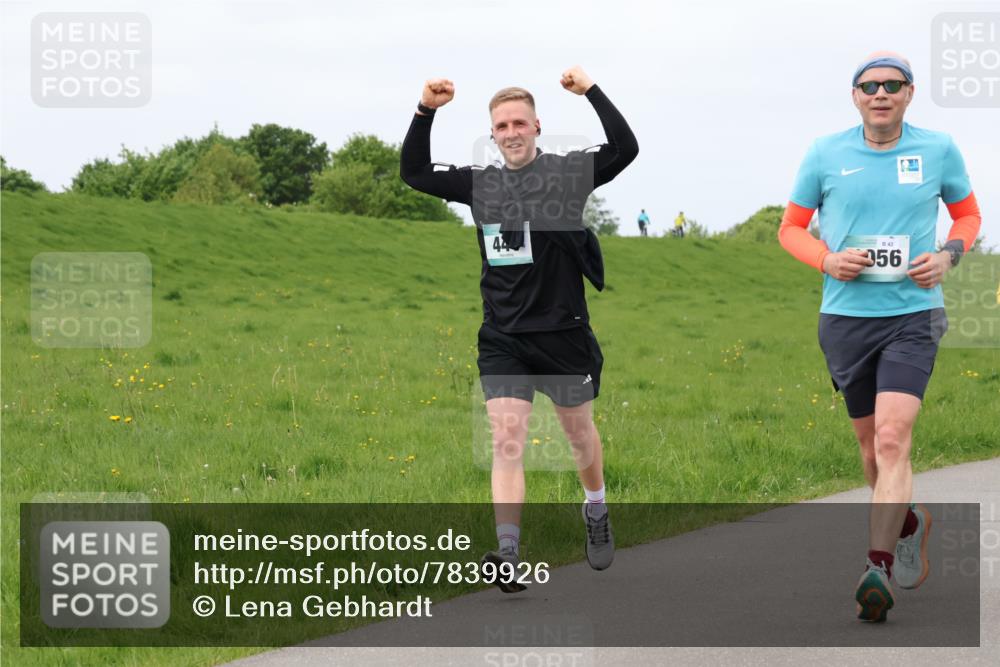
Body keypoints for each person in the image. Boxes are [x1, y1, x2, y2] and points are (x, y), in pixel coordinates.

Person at [400, 66, 638, 592]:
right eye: (502, 125)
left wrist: (592, 91)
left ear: (536, 128)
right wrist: (426, 109)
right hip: (503, 337)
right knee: (507, 438)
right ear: (493, 135)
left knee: (579, 437)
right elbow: (414, 173)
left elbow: (625, 148)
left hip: (562, 333)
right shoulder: (479, 183)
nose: (511, 132)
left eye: (519, 123)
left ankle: (595, 507)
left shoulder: (567, 173)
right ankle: (508, 554)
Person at [778, 51, 981, 622]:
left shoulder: (937, 148)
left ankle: (878, 566)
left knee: (893, 440)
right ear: (855, 97)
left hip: (913, 315)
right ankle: (910, 519)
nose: (880, 94)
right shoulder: (825, 153)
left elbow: (968, 216)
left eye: (892, 85)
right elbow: (790, 229)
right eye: (869, 86)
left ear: (910, 93)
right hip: (845, 319)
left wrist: (948, 255)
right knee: (870, 450)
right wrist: (826, 259)